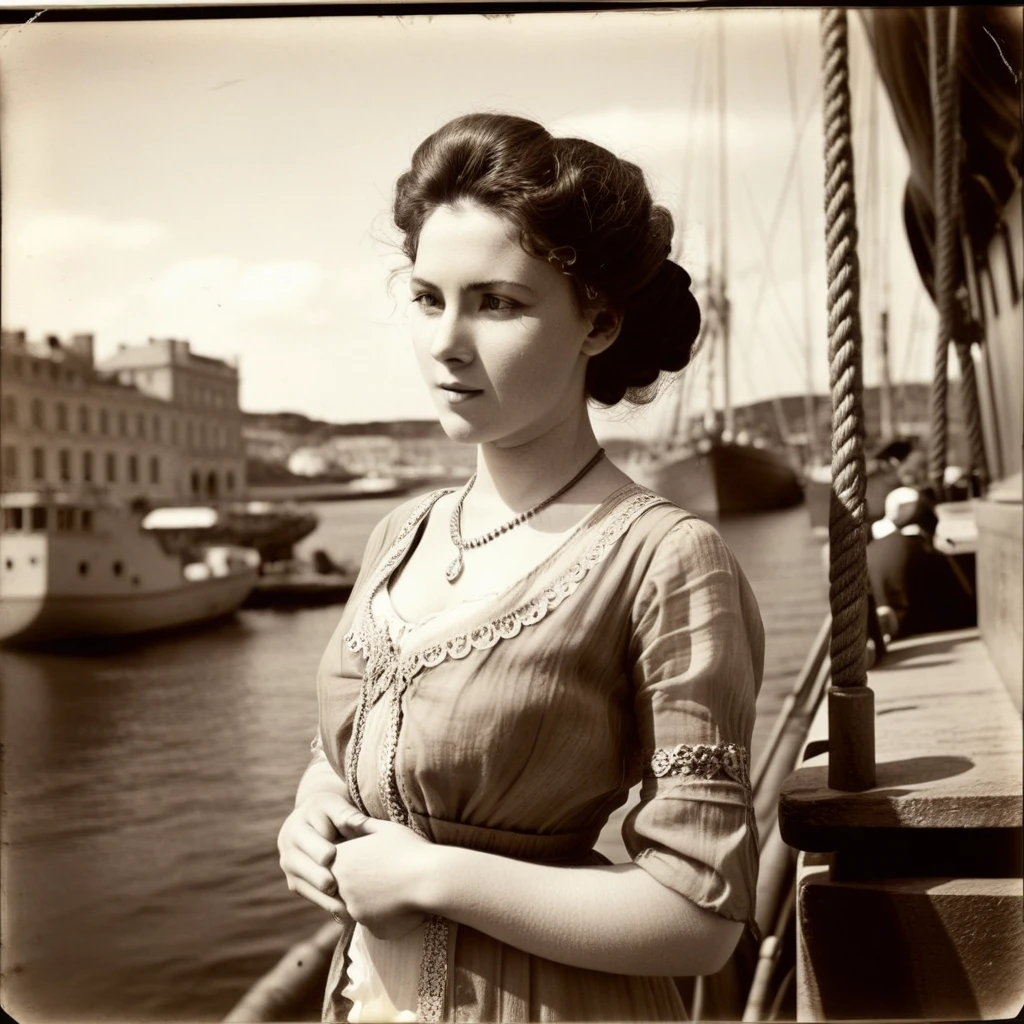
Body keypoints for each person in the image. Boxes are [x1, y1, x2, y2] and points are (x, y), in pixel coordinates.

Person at [277, 112, 764, 1023]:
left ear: (599, 322)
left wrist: (433, 875)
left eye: (496, 303)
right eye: (427, 299)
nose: (446, 342)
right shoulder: (399, 536)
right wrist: (310, 819)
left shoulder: (666, 560)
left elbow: (701, 915)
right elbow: (344, 758)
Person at [868, 485, 976, 644]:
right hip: (935, 634)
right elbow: (965, 606)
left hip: (895, 641)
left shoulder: (869, 552)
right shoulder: (928, 554)